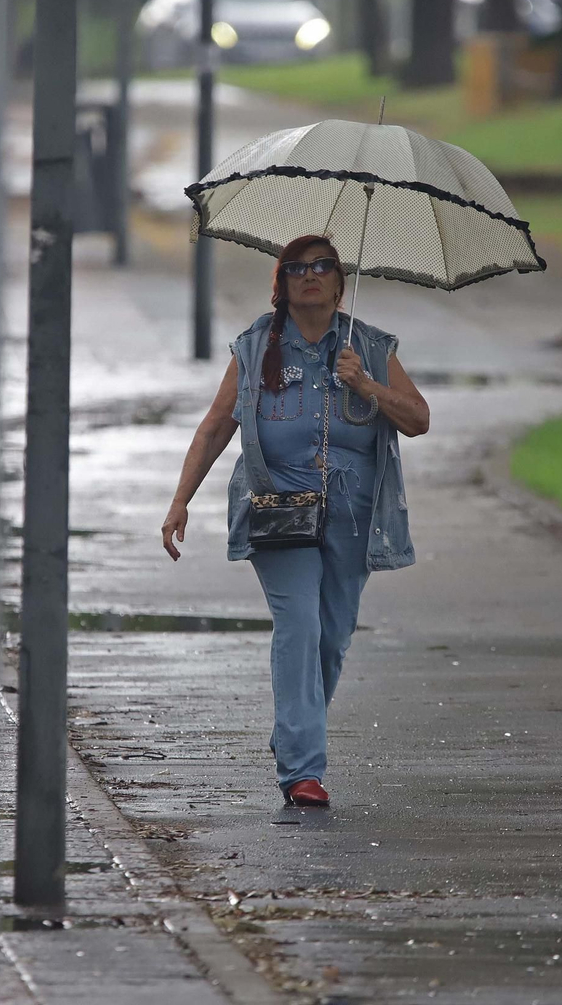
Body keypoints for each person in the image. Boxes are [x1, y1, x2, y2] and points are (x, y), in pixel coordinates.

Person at [160, 234, 429, 807]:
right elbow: (215, 426)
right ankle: (303, 770)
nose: (311, 276)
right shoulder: (256, 347)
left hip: (354, 518)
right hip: (279, 508)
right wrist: (180, 499)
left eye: (323, 267)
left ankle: (293, 733)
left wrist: (368, 386)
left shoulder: (372, 348)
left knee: (331, 638)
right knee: (300, 625)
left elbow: (419, 419)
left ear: (339, 282)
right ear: (281, 284)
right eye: (298, 268)